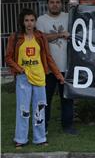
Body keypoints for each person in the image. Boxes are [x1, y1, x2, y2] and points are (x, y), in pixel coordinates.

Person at [5, 8, 64, 148]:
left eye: (32, 20)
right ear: (22, 22)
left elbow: (48, 58)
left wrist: (58, 75)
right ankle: (20, 138)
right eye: (26, 20)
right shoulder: (15, 37)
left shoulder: (40, 37)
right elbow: (8, 57)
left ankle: (40, 138)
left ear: (35, 21)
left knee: (40, 108)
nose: (29, 23)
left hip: (39, 78)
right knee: (23, 109)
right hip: (23, 78)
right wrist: (19, 69)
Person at [36, 0, 78, 135]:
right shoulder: (41, 20)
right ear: (47, 4)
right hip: (47, 68)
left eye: (57, 2)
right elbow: (41, 38)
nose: (55, 4)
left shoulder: (68, 17)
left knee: (67, 99)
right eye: (52, 2)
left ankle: (67, 126)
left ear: (62, 4)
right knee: (45, 99)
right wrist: (60, 35)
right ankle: (43, 126)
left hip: (67, 67)